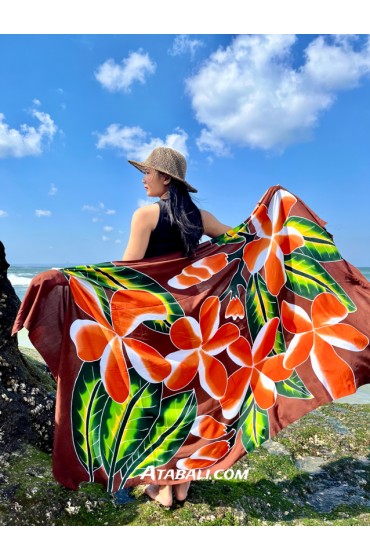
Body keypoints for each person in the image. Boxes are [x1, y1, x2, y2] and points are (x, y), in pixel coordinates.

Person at [122, 147, 232, 506]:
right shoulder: (201, 217)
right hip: (192, 321)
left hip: (155, 320)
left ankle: (161, 486)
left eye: (148, 173)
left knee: (155, 399)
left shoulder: (145, 216)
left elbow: (127, 274)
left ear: (165, 178)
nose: (143, 178)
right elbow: (242, 244)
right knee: (188, 397)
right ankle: (181, 482)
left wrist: (76, 284)